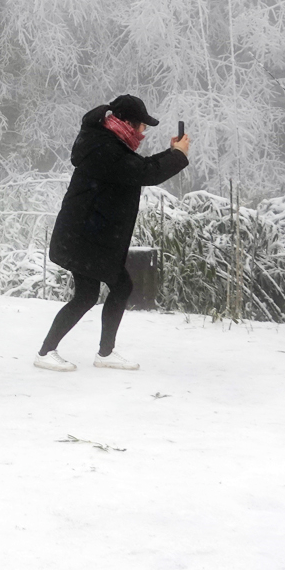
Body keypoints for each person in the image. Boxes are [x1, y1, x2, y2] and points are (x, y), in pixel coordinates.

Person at [36, 95, 189, 372]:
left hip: (88, 236)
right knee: (108, 289)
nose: (143, 132)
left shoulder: (107, 143)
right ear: (128, 123)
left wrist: (171, 154)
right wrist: (178, 156)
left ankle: (95, 353)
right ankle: (55, 352)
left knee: (96, 292)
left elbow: (136, 169)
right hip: (84, 237)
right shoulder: (104, 149)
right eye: (143, 126)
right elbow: (142, 173)